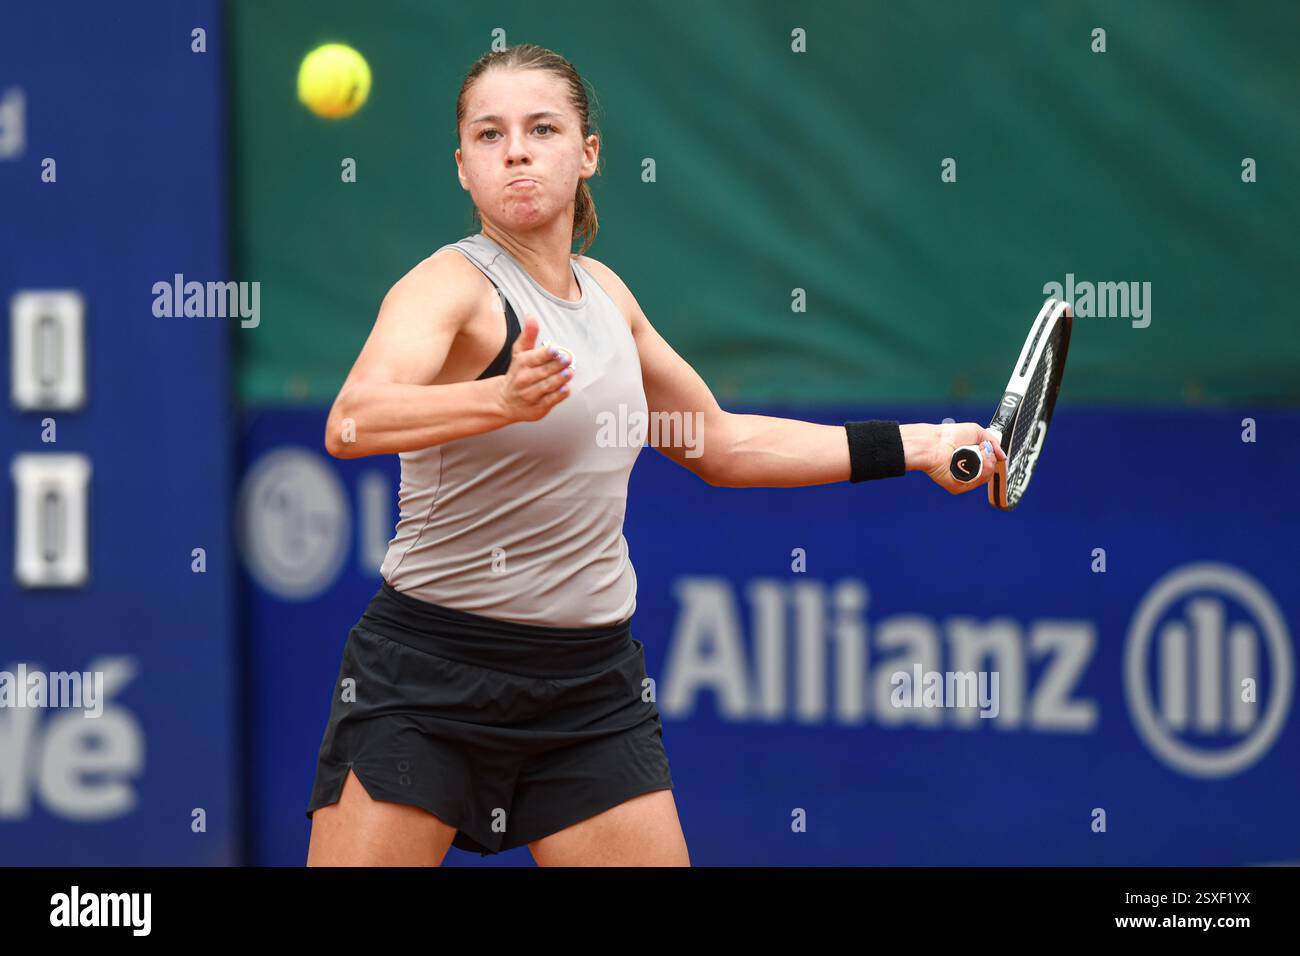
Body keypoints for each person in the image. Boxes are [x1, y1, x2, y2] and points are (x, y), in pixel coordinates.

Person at [304, 43, 1005, 867]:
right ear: (463, 168)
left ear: (588, 151)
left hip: (588, 690)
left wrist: (919, 445)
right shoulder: (447, 288)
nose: (518, 150)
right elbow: (352, 421)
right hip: (429, 679)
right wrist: (498, 398)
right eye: (490, 136)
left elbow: (720, 443)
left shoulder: (610, 302)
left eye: (541, 128)